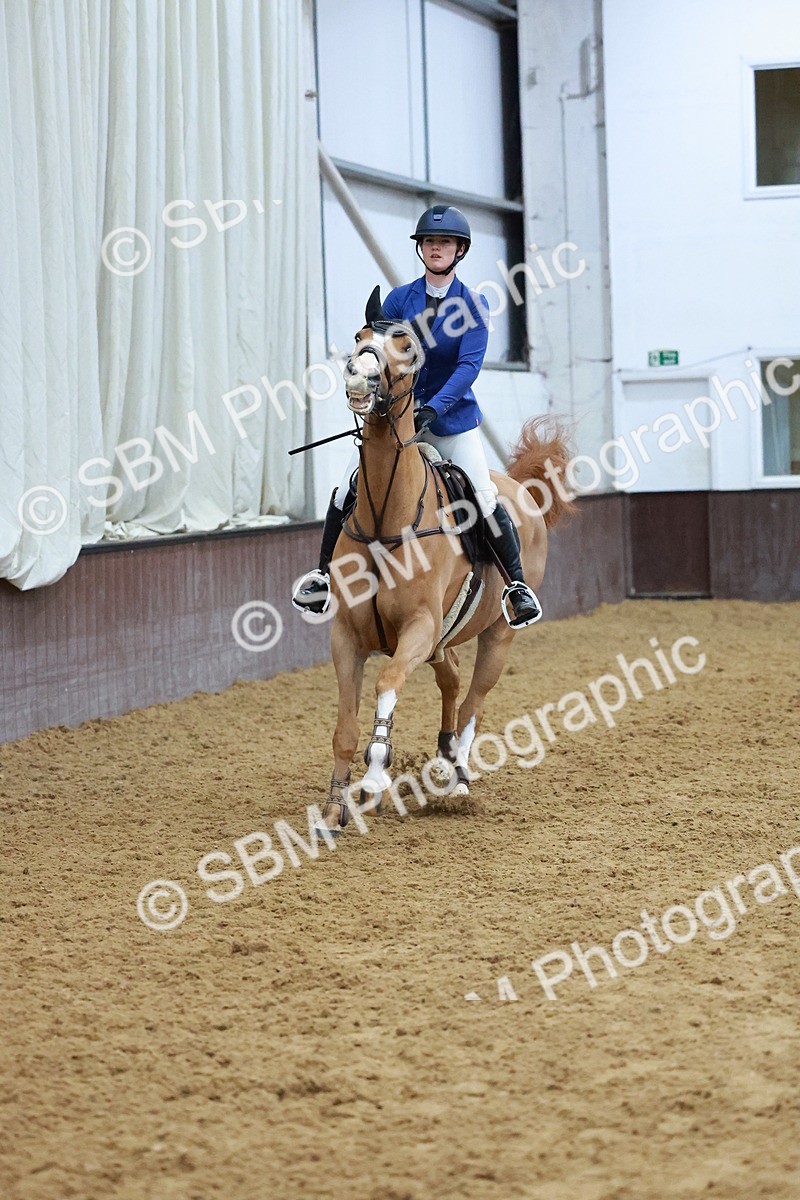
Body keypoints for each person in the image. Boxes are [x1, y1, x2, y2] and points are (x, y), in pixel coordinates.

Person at [292, 204, 541, 628]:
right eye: (429, 242)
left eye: (444, 242)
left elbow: (467, 368)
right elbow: (383, 357)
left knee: (482, 494)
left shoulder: (473, 305)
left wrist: (434, 408)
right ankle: (322, 577)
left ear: (459, 250)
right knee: (345, 490)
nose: (435, 248)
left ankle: (516, 587)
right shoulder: (398, 300)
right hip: (394, 421)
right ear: (421, 250)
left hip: (450, 422)